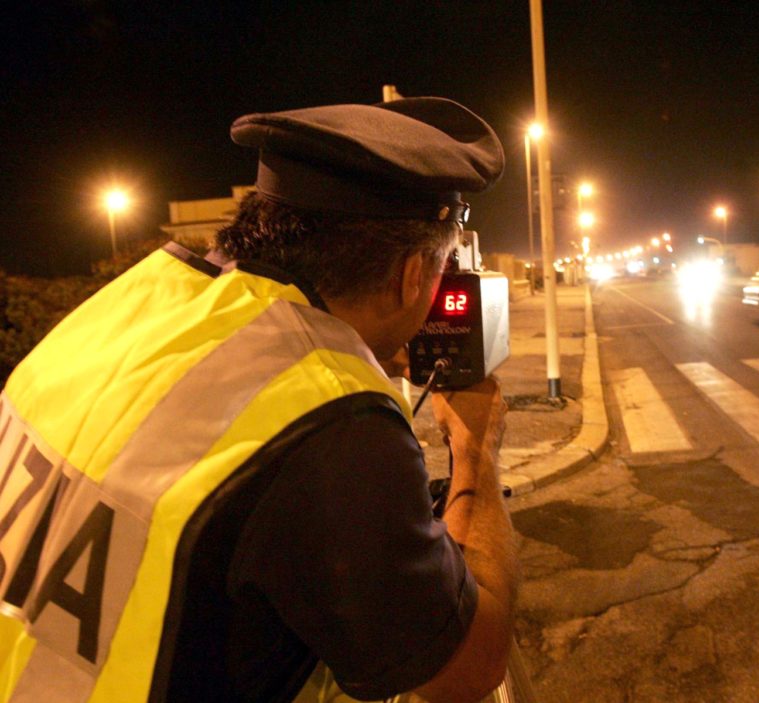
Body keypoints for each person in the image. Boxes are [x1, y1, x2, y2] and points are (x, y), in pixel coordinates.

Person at [0, 97, 519, 702]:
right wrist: (475, 445)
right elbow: (468, 666)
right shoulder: (334, 417)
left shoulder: (134, 301)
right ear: (411, 275)